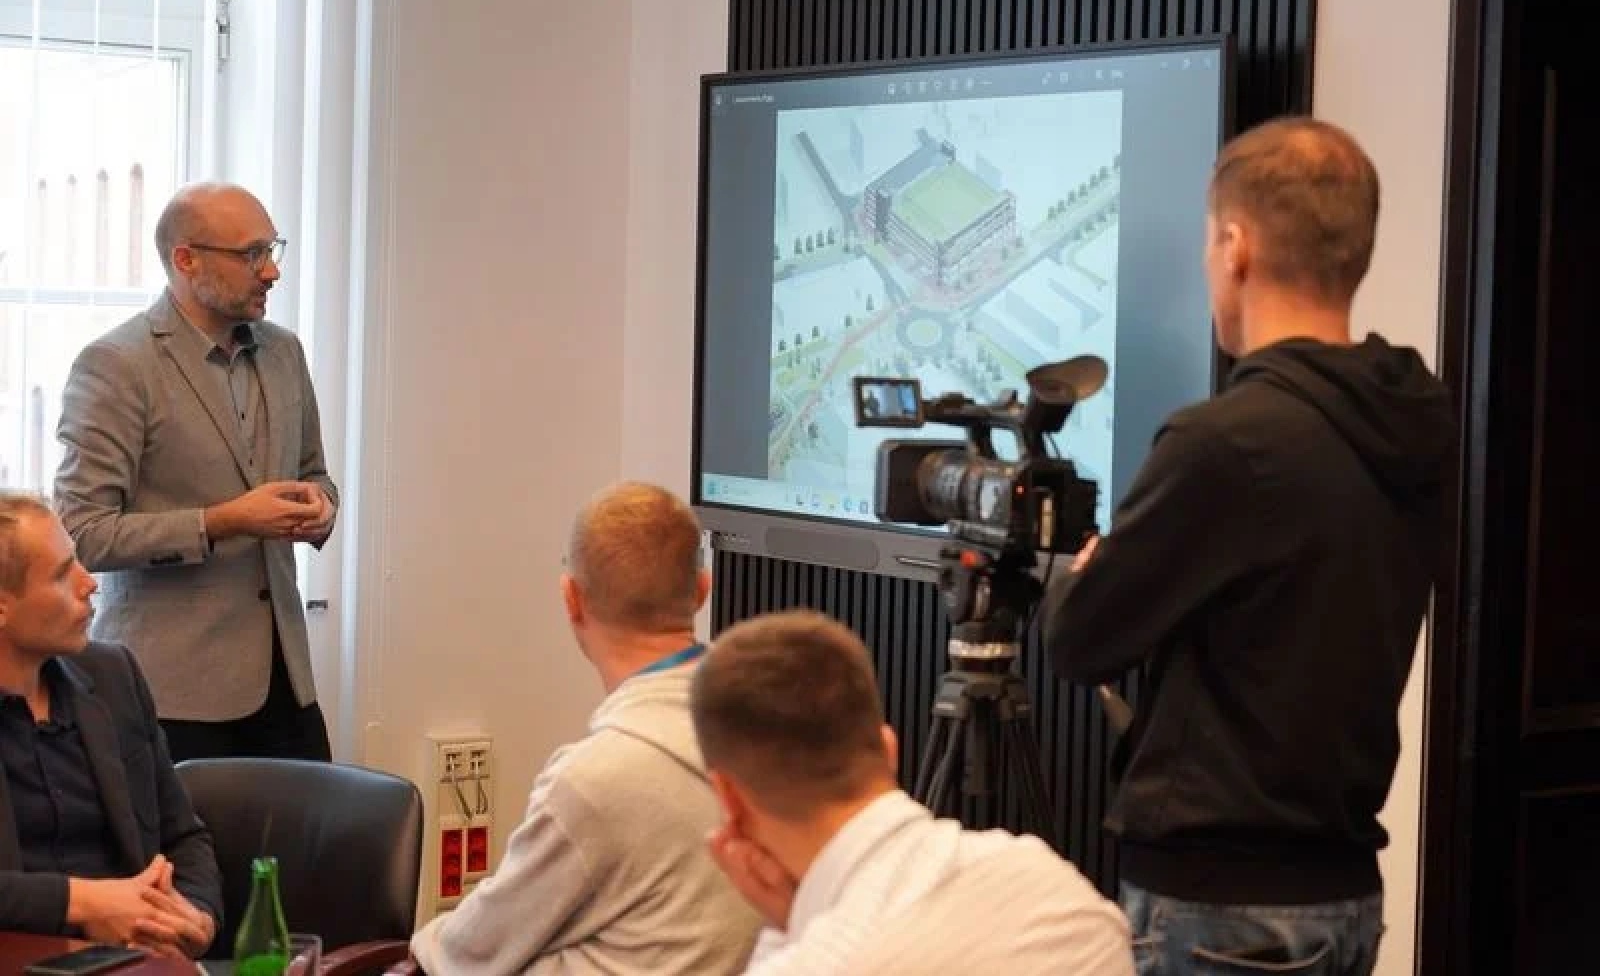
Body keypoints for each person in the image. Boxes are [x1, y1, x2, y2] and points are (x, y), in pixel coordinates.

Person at [1041, 117, 1455, 974]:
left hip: (1220, 911)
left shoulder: (1225, 442)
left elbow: (1081, 642)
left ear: (1235, 247)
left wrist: (1082, 577)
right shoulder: (1419, 420)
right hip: (1345, 893)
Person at [409, 482, 762, 975]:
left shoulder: (592, 782)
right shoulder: (774, 734)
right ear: (703, 590)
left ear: (571, 599)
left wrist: (424, 940)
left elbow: (468, 953)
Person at [53, 182, 339, 764]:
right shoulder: (117, 365)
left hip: (285, 684)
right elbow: (82, 532)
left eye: (272, 249)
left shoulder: (285, 353)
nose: (272, 272)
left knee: (315, 826)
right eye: (252, 254)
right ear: (186, 260)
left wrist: (322, 507)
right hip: (170, 696)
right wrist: (222, 521)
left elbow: (315, 474)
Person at [690, 610, 1135, 975]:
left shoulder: (814, 962)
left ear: (728, 797)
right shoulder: (1060, 890)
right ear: (889, 749)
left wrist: (786, 931)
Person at [0, 493, 221, 958]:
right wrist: (83, 903)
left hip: (136, 959)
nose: (89, 583)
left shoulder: (113, 676)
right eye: (62, 573)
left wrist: (194, 915)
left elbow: (183, 836)